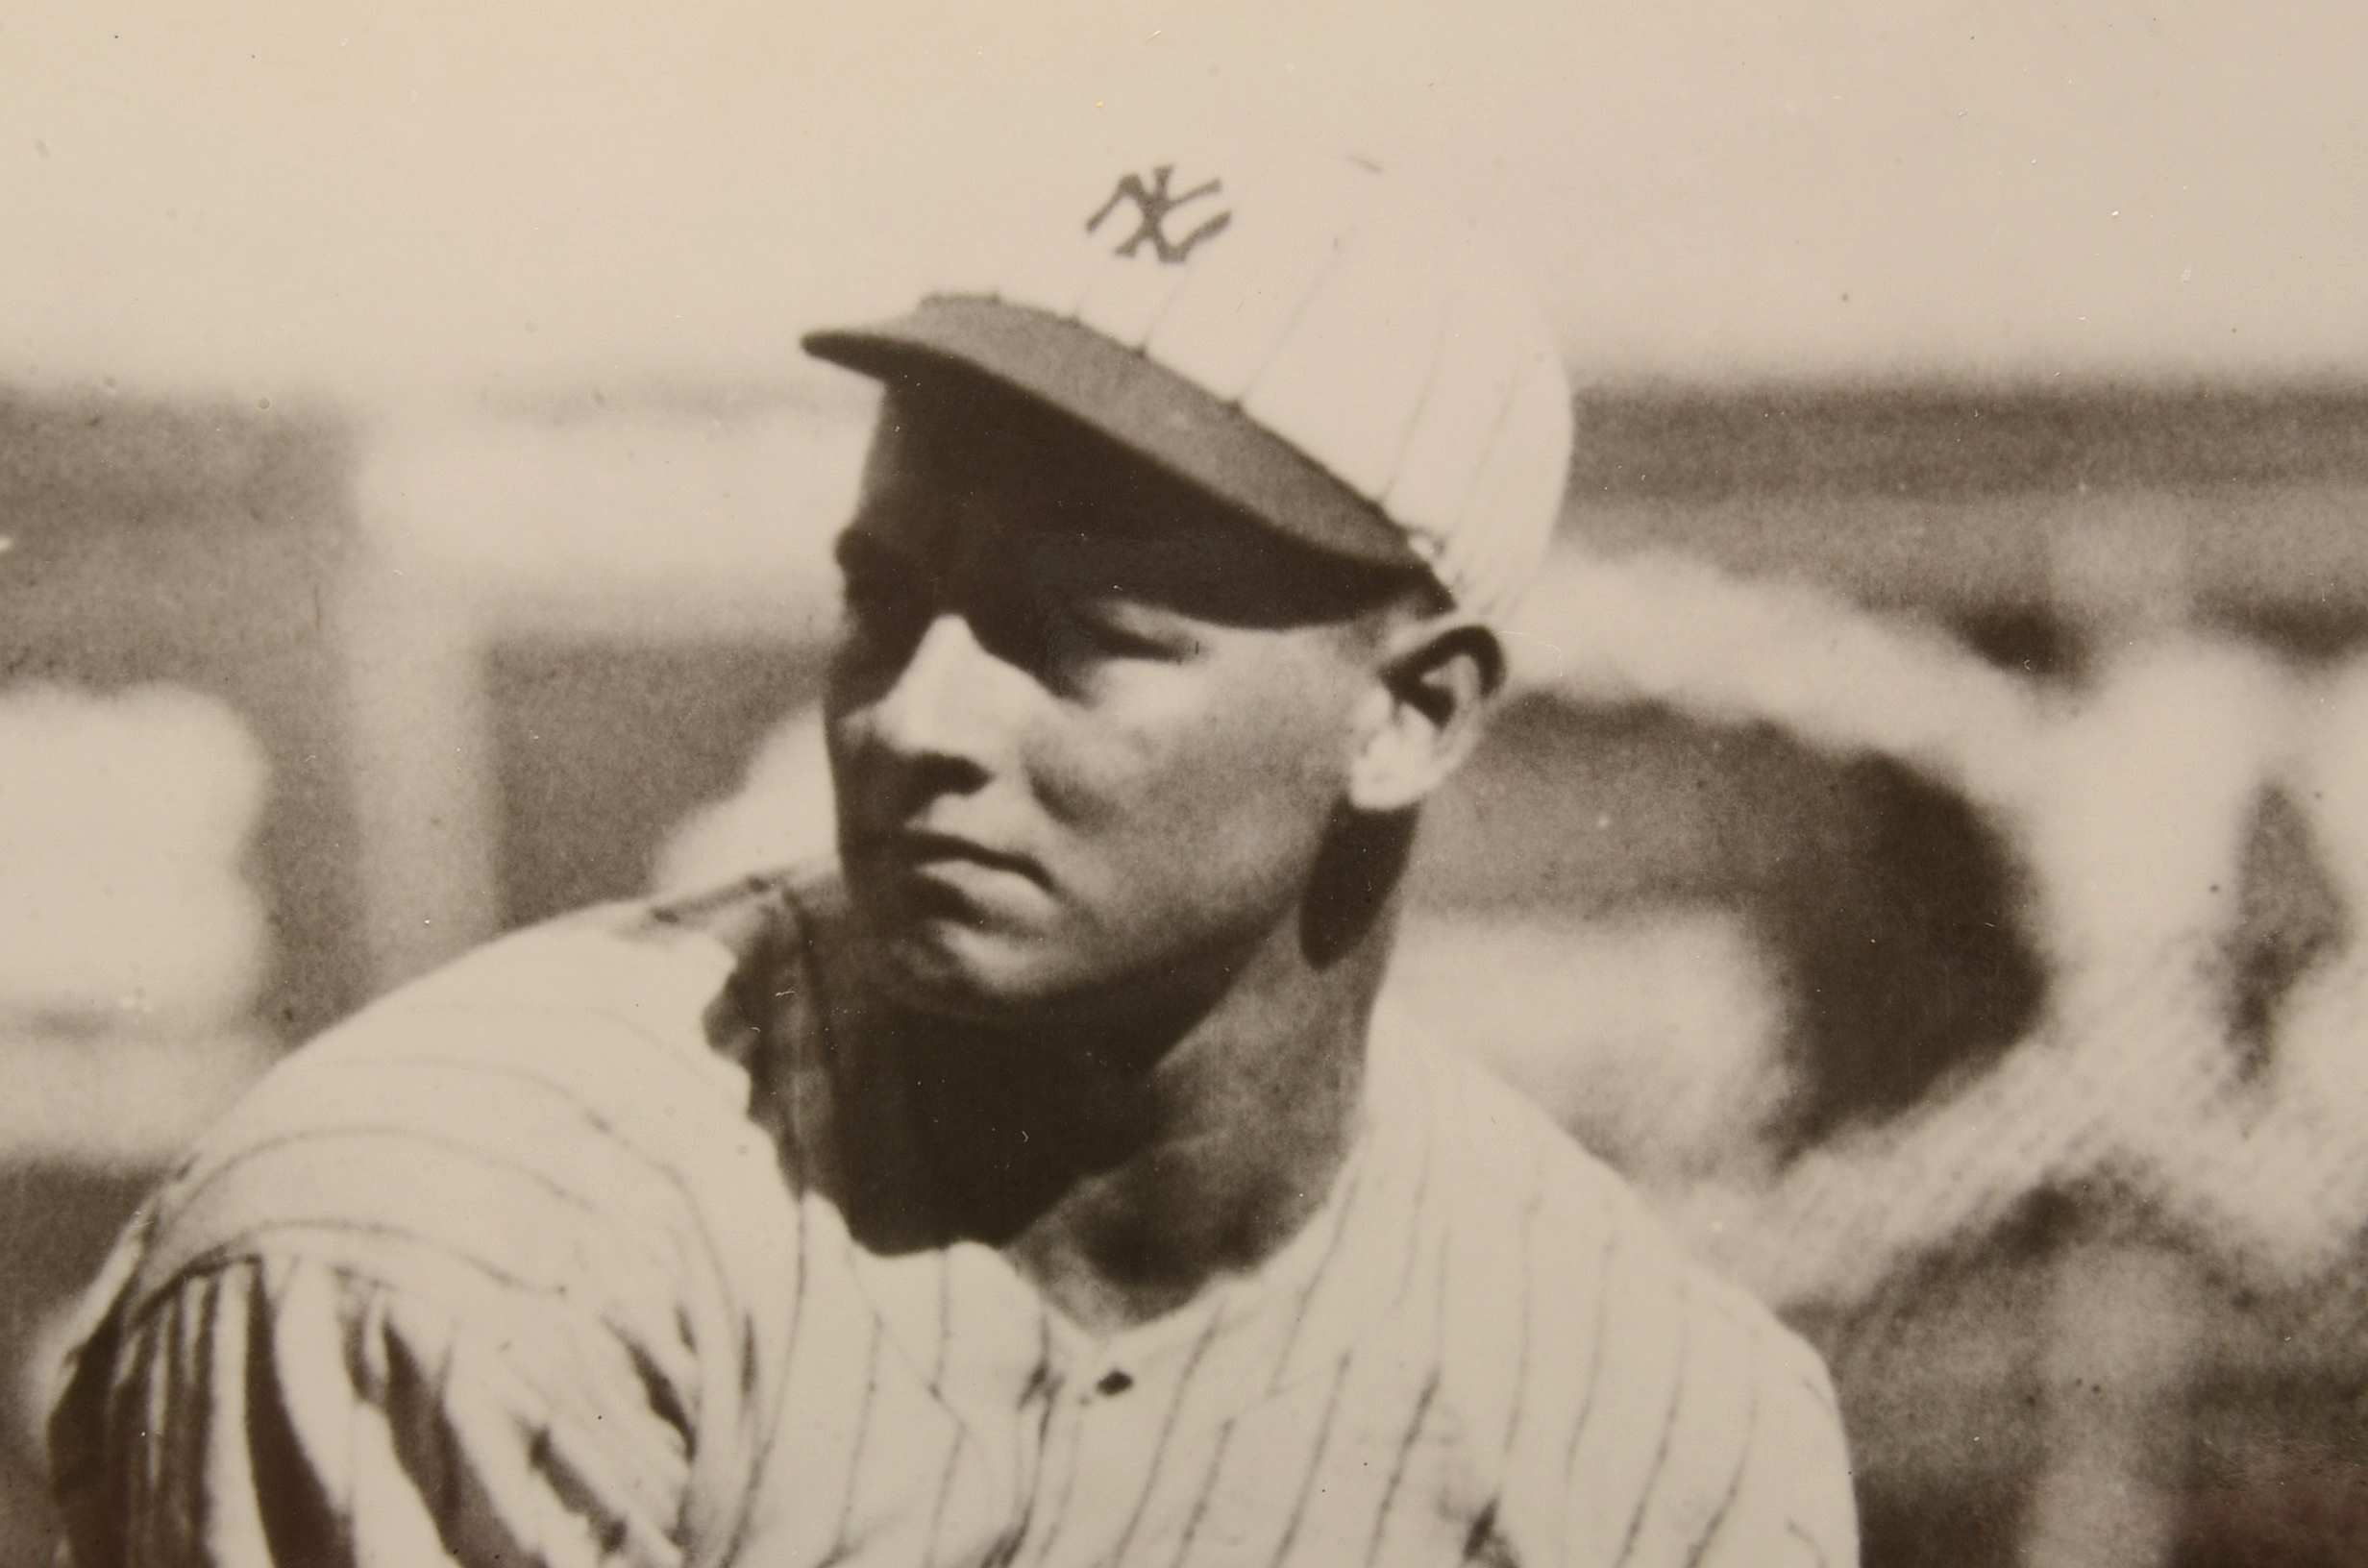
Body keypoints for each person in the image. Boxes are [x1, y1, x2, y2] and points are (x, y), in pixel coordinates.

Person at [46, 145, 1857, 1568]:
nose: (915, 721)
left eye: (1080, 633)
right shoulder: (446, 1242)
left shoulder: (1659, 1435)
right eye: (886, 600)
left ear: (1411, 717)